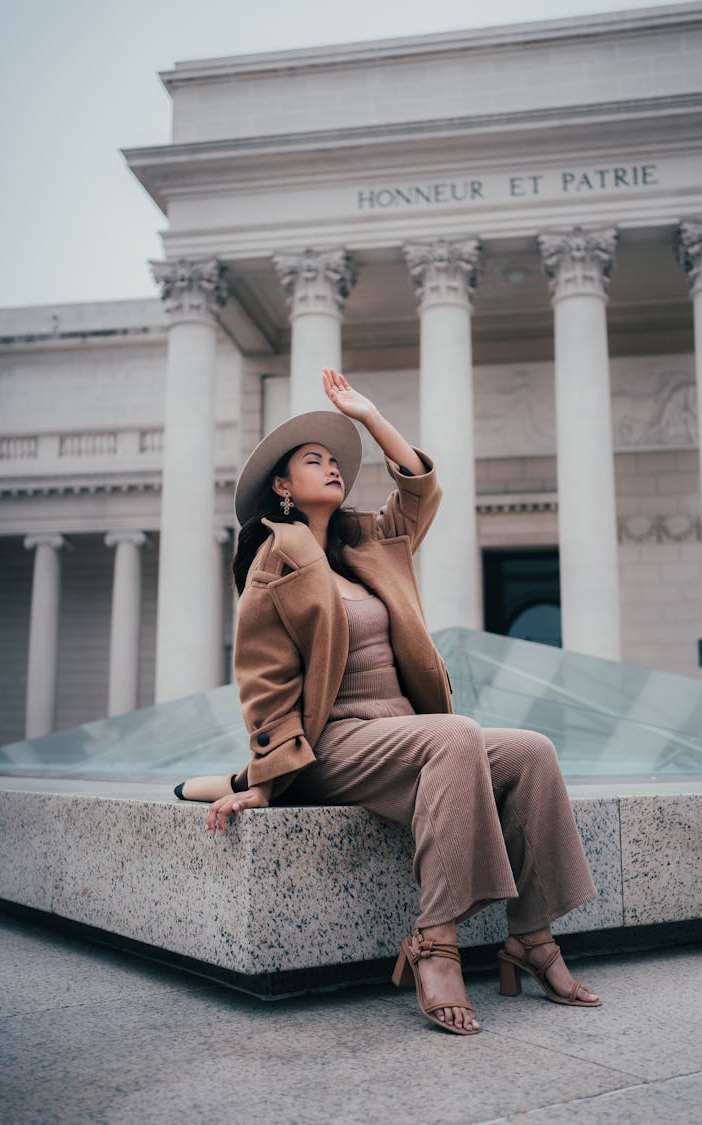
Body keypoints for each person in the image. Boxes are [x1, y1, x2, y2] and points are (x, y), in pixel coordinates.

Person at [176, 367, 600, 1035]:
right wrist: (266, 778)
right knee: (456, 734)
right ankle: (435, 939)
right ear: (283, 487)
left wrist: (370, 417)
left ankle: (531, 935)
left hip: (405, 731)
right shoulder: (275, 557)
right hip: (337, 740)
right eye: (313, 460)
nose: (332, 467)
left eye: (337, 460)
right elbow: (265, 677)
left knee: (530, 751)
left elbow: (420, 487)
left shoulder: (369, 542)